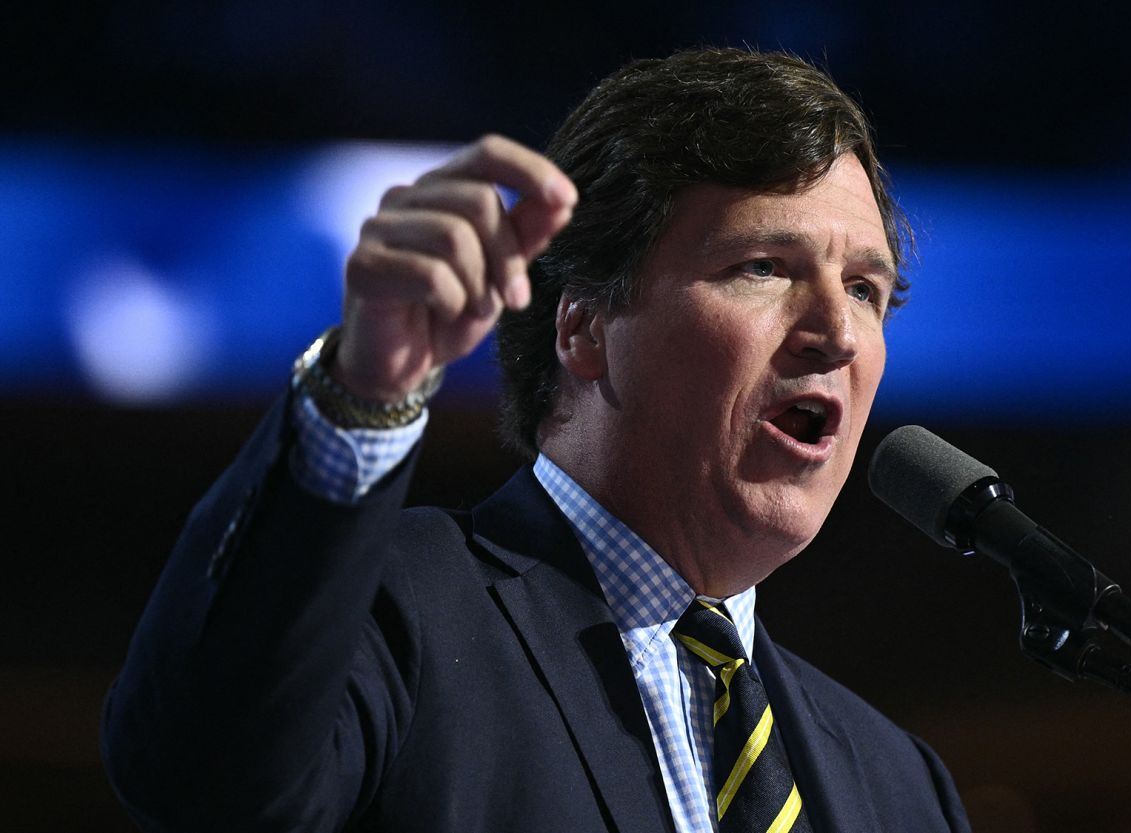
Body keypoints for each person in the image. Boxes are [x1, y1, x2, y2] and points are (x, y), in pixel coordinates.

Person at [101, 47, 971, 833]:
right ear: (583, 327)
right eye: (764, 267)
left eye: (865, 287)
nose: (838, 333)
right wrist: (359, 395)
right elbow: (205, 782)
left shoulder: (901, 786)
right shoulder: (390, 613)